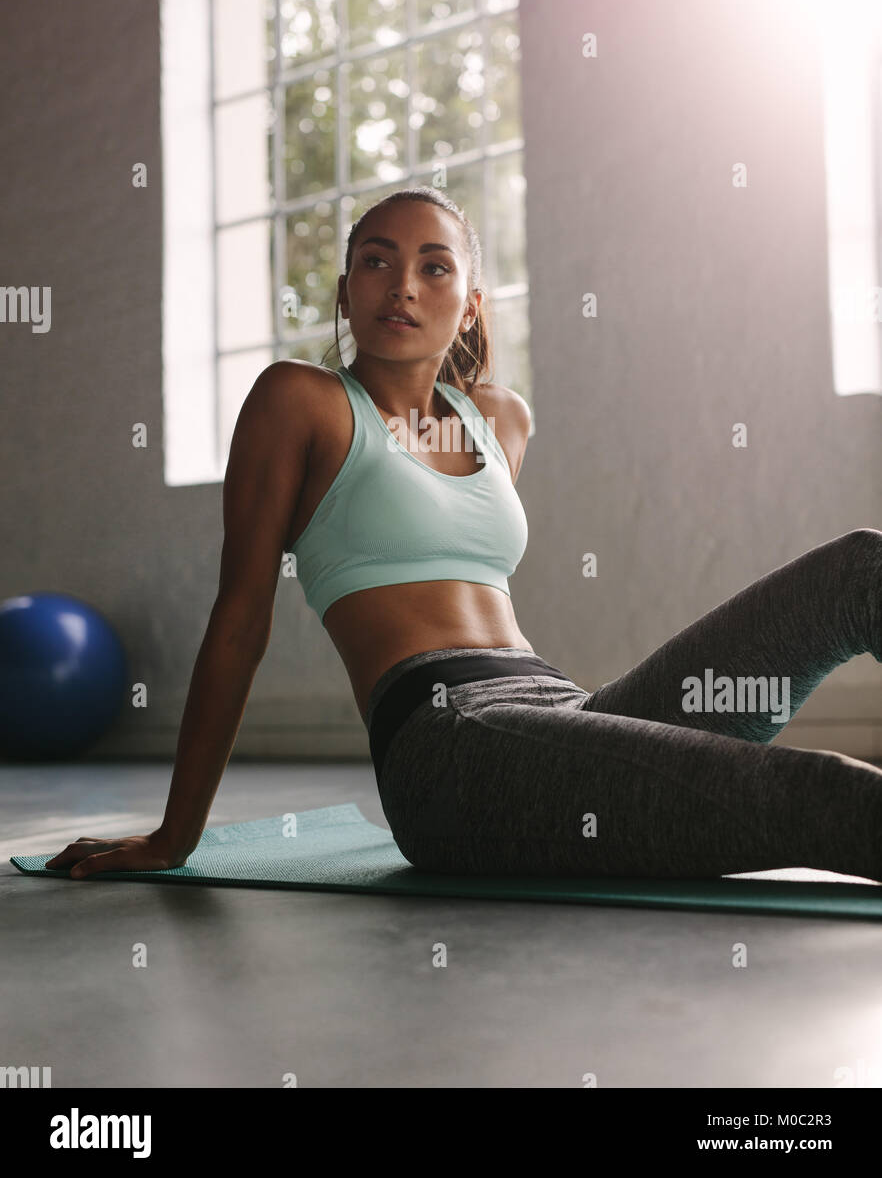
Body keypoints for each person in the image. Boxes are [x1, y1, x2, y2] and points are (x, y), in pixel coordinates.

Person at [47, 188, 882, 883]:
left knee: (860, 566)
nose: (401, 286)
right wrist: (174, 837)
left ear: (469, 302)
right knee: (822, 792)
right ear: (344, 292)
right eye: (375, 260)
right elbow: (240, 619)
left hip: (563, 711)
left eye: (433, 267)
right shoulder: (300, 400)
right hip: (448, 752)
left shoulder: (499, 419)